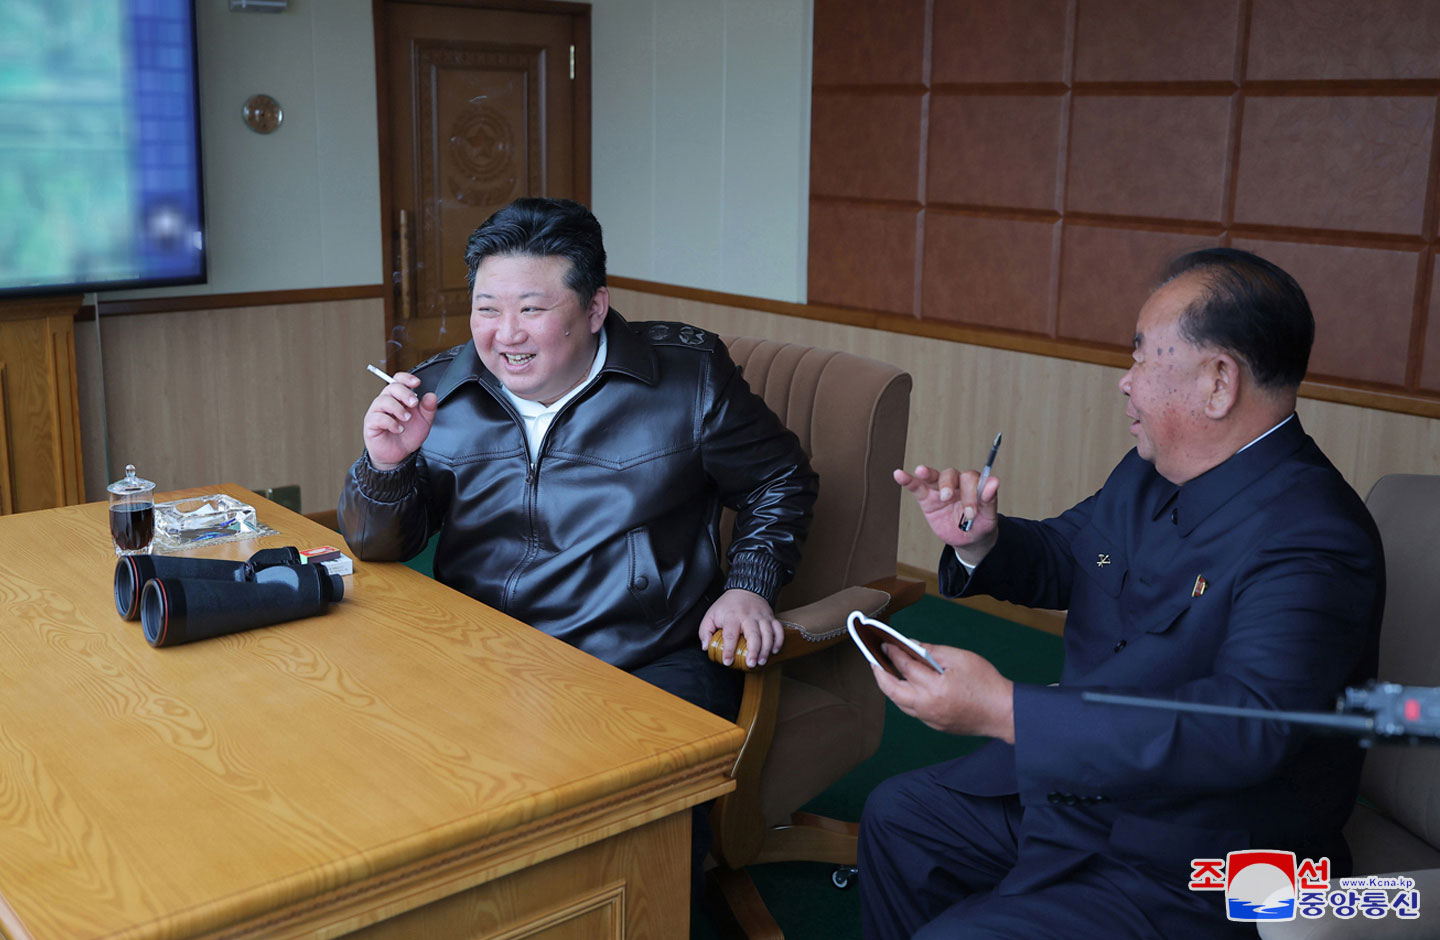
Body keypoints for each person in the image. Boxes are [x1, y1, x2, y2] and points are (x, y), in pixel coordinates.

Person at [859, 248, 1385, 939]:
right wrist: (981, 539)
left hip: (1202, 856)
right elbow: (1068, 556)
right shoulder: (1148, 474)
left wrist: (1007, 710)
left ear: (1218, 382)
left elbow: (1245, 725)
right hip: (1086, 795)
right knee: (902, 817)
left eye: (1141, 358)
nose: (1124, 382)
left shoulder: (1316, 536)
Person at [338, 197, 817, 721]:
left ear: (595, 308)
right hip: (484, 650)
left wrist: (749, 583)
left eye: (532, 309)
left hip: (643, 655)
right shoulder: (440, 392)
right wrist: (385, 467)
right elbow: (377, 546)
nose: (506, 334)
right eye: (487, 308)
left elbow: (779, 478)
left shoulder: (688, 379)